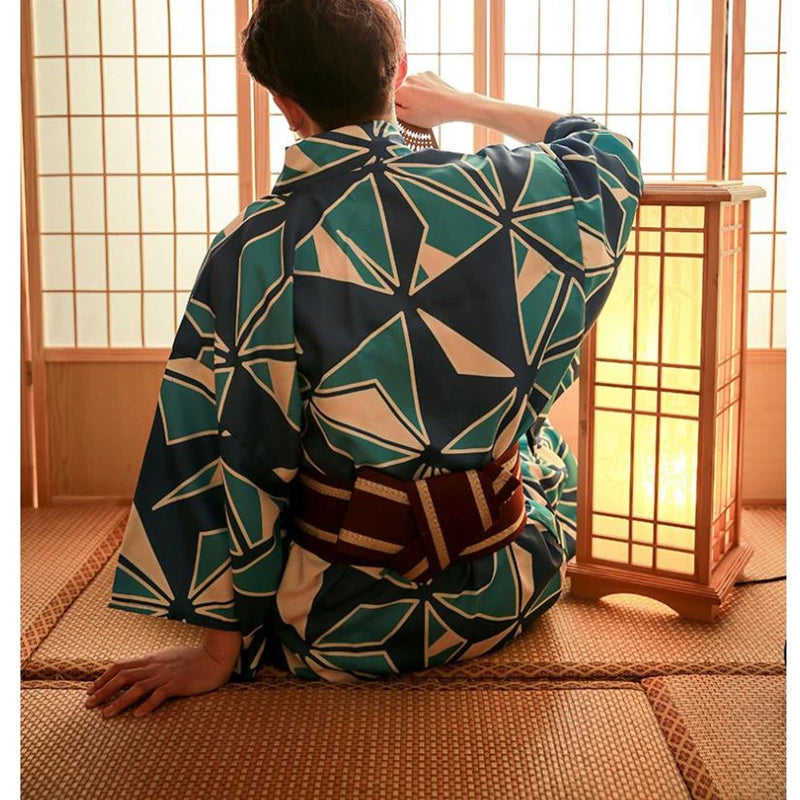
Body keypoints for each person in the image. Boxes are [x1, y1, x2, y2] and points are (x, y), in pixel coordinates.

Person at [85, 0, 643, 718]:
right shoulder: (502, 190)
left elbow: (238, 452)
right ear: (399, 77)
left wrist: (216, 652)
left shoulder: (260, 244)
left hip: (345, 625)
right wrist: (464, 103)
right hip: (508, 583)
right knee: (542, 451)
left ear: (286, 106)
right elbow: (610, 153)